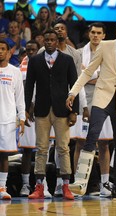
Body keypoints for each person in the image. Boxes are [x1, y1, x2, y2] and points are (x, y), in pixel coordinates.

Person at [66, 22, 116, 200]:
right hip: (102, 98)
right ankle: (80, 181)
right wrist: (73, 91)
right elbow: (88, 72)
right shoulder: (104, 45)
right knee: (92, 135)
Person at [25, 29, 79, 200]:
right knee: (41, 148)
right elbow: (29, 87)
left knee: (63, 147)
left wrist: (74, 111)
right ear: (43, 42)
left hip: (62, 109)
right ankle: (39, 186)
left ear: (57, 42)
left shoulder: (67, 59)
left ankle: (65, 186)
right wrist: (27, 109)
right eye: (46, 40)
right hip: (41, 109)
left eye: (52, 40)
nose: (49, 42)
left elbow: (75, 87)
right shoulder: (34, 61)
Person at [77, 22, 114, 198]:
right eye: (93, 32)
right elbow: (79, 78)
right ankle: (78, 183)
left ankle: (105, 184)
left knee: (104, 142)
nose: (95, 35)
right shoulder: (79, 53)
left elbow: (108, 77)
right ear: (89, 34)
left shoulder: (112, 53)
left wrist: (89, 75)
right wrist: (95, 76)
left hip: (103, 98)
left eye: (99, 33)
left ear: (104, 35)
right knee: (80, 141)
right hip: (83, 99)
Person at [0, 40, 25, 200]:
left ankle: (2, 187)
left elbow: (20, 97)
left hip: (7, 119)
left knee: (3, 156)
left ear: (9, 52)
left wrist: (22, 117)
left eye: (3, 49)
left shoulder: (15, 71)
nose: (0, 51)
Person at [18, 40, 40, 197]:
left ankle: (41, 184)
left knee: (42, 150)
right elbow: (20, 92)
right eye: (28, 49)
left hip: (43, 112)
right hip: (26, 113)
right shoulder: (21, 68)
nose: (30, 52)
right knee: (26, 150)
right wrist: (26, 109)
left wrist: (35, 106)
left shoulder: (45, 65)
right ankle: (25, 184)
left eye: (33, 49)